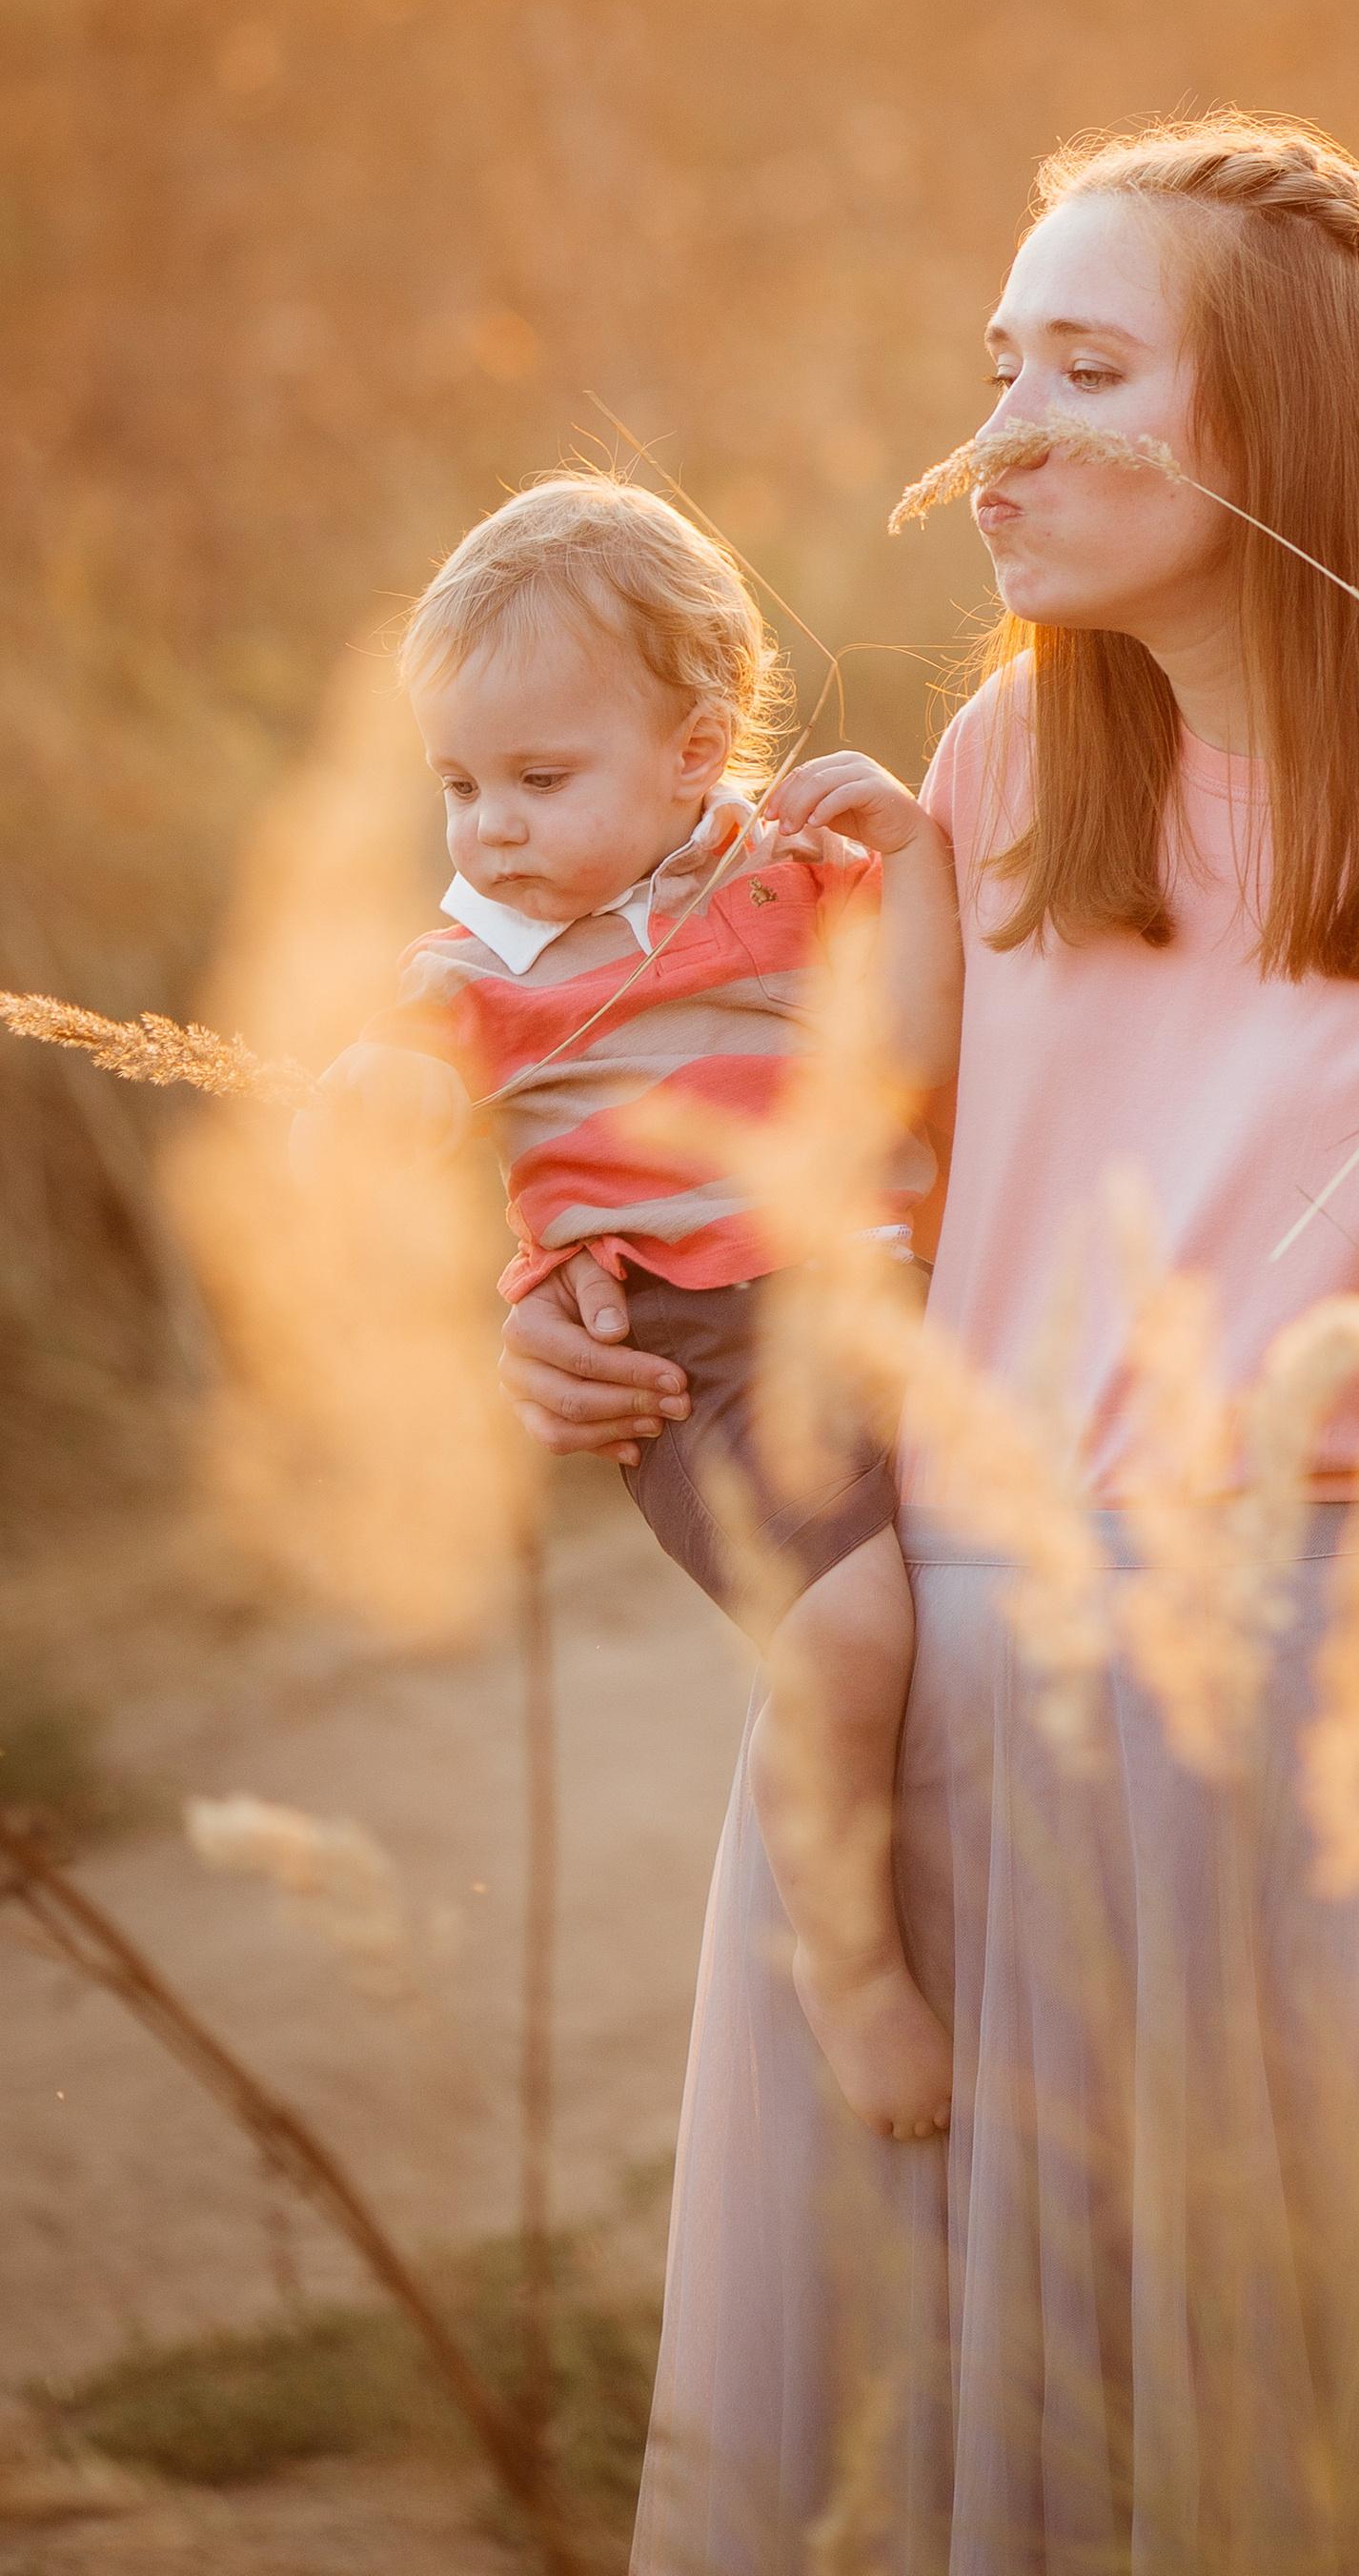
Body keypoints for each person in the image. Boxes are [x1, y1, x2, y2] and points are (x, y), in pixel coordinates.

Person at [503, 124, 1359, 2573]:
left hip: (1323, 1763)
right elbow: (777, 1212)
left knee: (1330, 2467)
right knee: (950, 2471)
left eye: (1083, 370)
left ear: (1284, 427)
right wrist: (571, 1317)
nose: (998, 430)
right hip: (960, 1743)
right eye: (995, 363)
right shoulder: (1007, 773)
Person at [302, 474, 963, 2135]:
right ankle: (851, 1960)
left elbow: (914, 1059)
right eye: (459, 785)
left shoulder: (794, 874)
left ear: (696, 746)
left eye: (537, 778)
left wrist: (918, 861)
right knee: (852, 1627)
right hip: (700, 1344)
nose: (491, 830)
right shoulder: (488, 964)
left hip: (879, 1292)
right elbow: (409, 1066)